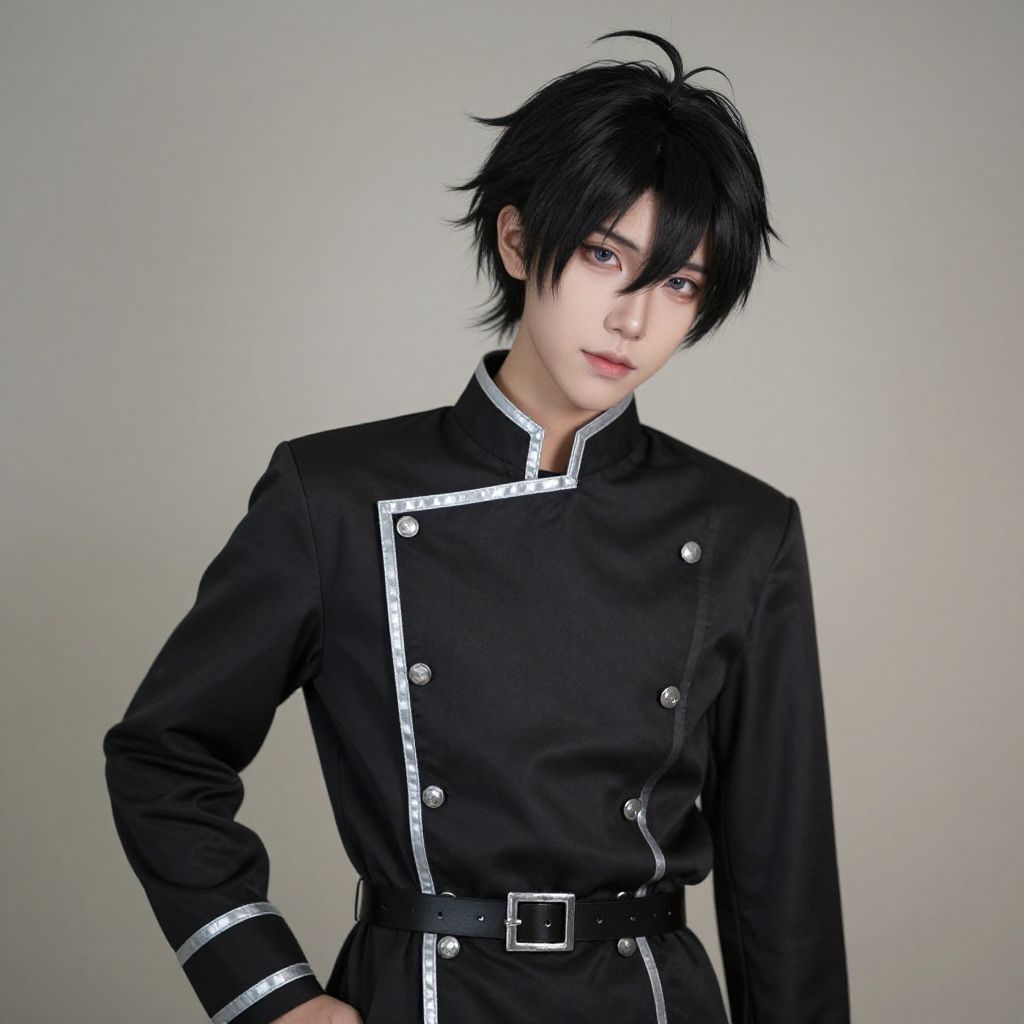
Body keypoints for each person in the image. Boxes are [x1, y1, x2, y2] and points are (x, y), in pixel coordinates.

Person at [102, 27, 850, 1024]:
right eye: (605, 255)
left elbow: (781, 875)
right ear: (516, 241)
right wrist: (272, 996)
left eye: (679, 283)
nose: (633, 320)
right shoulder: (336, 497)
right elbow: (163, 754)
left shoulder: (743, 529)